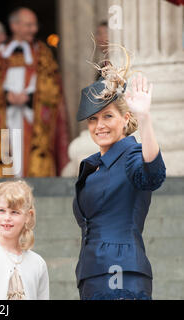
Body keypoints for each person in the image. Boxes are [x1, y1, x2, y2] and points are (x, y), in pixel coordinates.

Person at [73, 46, 166, 300]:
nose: (99, 125)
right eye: (93, 119)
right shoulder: (92, 165)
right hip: (92, 273)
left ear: (125, 119)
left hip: (121, 273)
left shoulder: (131, 154)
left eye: (108, 117)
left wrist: (145, 118)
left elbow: (152, 172)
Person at [0, 7, 69, 178]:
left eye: (34, 25)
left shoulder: (43, 55)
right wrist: (6, 98)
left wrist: (30, 98)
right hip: (5, 122)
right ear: (14, 26)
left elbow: (53, 89)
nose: (34, 29)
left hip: (34, 122)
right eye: (29, 25)